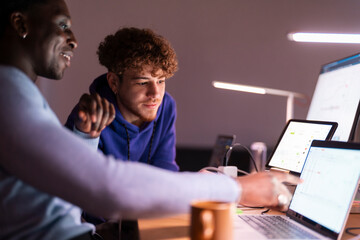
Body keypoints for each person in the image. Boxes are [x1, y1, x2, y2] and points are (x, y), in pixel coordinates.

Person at [0, 0, 301, 240]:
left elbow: (58, 186)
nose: (75, 40)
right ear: (20, 23)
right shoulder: (9, 95)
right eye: (63, 25)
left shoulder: (21, 92)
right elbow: (107, 188)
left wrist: (83, 140)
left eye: (161, 81)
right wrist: (238, 189)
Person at [65, 27, 179, 172]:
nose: (155, 94)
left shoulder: (166, 106)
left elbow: (166, 169)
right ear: (114, 83)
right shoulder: (90, 116)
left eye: (161, 81)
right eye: (143, 83)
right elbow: (82, 179)